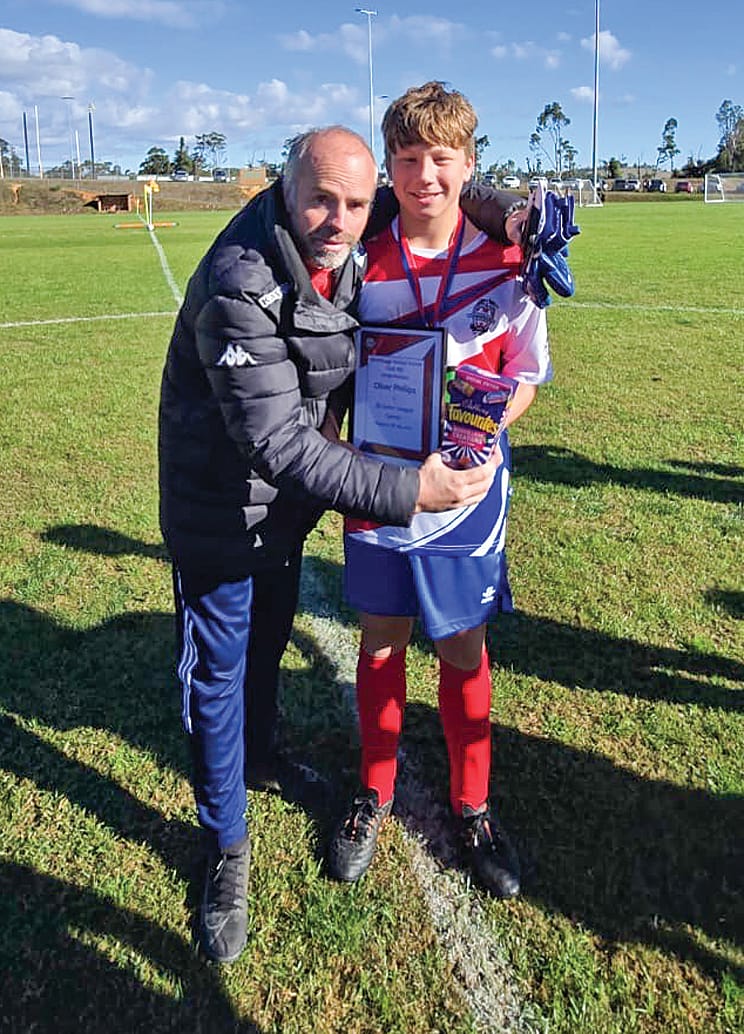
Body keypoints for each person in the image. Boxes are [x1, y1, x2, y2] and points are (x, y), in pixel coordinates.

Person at [158, 125, 518, 963]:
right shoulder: (235, 284)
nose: (341, 218)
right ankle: (225, 849)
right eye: (322, 197)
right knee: (216, 674)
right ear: (287, 187)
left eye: (357, 204)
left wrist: (519, 220)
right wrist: (409, 492)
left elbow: (441, 192)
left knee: (270, 643)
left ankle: (263, 752)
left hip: (289, 508)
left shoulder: (358, 217)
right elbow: (278, 445)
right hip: (220, 507)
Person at [327, 83, 553, 899]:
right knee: (382, 642)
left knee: (462, 647)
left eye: (441, 158)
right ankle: (374, 791)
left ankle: (473, 804)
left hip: (466, 493)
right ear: (391, 165)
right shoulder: (360, 259)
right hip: (383, 487)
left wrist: (491, 429)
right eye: (410, 158)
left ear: (468, 165)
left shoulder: (508, 259)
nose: (425, 175)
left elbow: (528, 372)